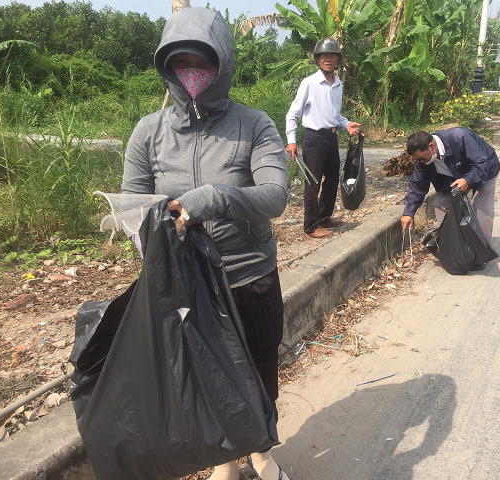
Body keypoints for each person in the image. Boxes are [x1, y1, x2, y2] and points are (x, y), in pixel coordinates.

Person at [122, 7, 290, 480]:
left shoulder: (254, 125)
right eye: (181, 63)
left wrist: (214, 198)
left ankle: (260, 450)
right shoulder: (148, 132)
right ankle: (222, 461)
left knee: (257, 371)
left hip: (247, 272)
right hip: (183, 283)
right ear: (166, 68)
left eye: (203, 62)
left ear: (223, 66)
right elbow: (135, 204)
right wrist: (151, 225)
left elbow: (274, 196)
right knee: (200, 378)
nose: (192, 73)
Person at [285, 37, 361, 239]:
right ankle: (310, 225)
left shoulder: (338, 84)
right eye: (324, 56)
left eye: (333, 56)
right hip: (314, 139)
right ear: (318, 60)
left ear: (338, 60)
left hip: (332, 138)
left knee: (332, 180)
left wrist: (346, 124)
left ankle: (324, 216)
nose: (329, 59)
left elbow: (335, 115)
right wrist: (291, 141)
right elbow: (292, 114)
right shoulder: (309, 83)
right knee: (313, 182)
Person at [401, 128, 500, 242]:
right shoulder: (423, 160)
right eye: (418, 159)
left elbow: (482, 164)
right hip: (454, 175)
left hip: (485, 170)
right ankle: (453, 245)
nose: (421, 162)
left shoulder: (459, 137)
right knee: (441, 204)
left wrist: (467, 180)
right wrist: (408, 213)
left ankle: (481, 248)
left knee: (480, 207)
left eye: (423, 157)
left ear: (431, 146)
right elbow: (417, 185)